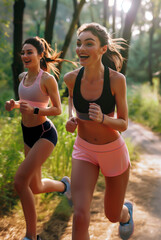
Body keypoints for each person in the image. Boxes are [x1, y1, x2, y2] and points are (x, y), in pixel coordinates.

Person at [64, 23, 134, 240]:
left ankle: (125, 213)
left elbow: (123, 123)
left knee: (112, 215)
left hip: (113, 151)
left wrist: (104, 119)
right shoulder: (71, 78)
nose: (81, 48)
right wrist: (70, 119)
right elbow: (71, 101)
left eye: (88, 43)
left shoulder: (116, 80)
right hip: (84, 150)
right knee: (80, 214)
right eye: (78, 43)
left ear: (103, 49)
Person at [5, 36, 71, 240]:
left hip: (44, 133)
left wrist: (34, 110)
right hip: (27, 134)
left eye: (29, 52)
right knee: (35, 187)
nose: (25, 56)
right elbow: (24, 101)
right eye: (23, 52)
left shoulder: (47, 79)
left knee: (20, 181)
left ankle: (32, 237)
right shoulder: (22, 77)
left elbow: (58, 109)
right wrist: (14, 104)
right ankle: (65, 186)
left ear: (40, 55)